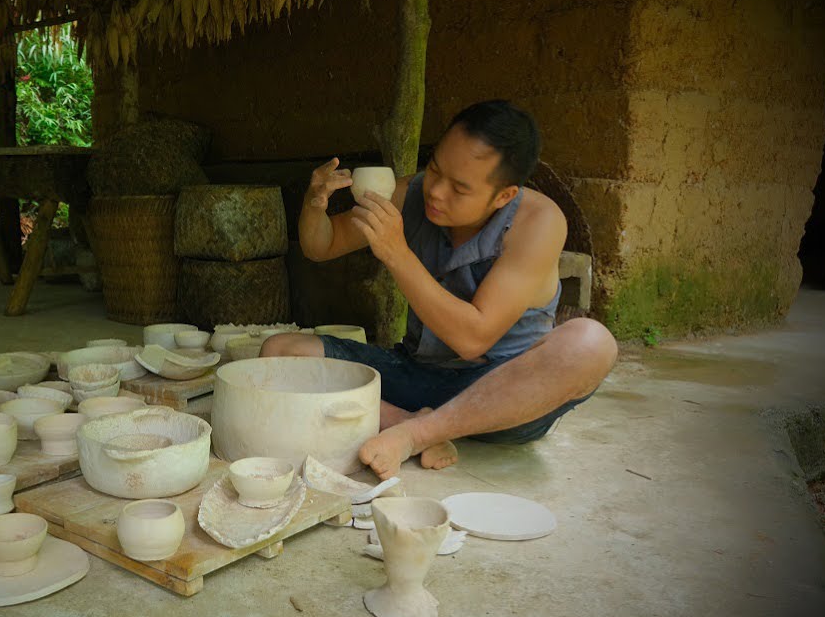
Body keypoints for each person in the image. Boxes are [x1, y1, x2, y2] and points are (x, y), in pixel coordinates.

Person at [260, 100, 618, 479]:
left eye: (459, 188)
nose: (435, 191)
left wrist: (397, 253)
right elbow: (322, 246)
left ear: (504, 196)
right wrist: (314, 206)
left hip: (501, 398)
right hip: (419, 377)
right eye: (434, 169)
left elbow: (472, 339)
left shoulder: (538, 221)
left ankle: (416, 434)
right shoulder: (411, 194)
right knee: (281, 352)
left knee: (591, 344)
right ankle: (410, 423)